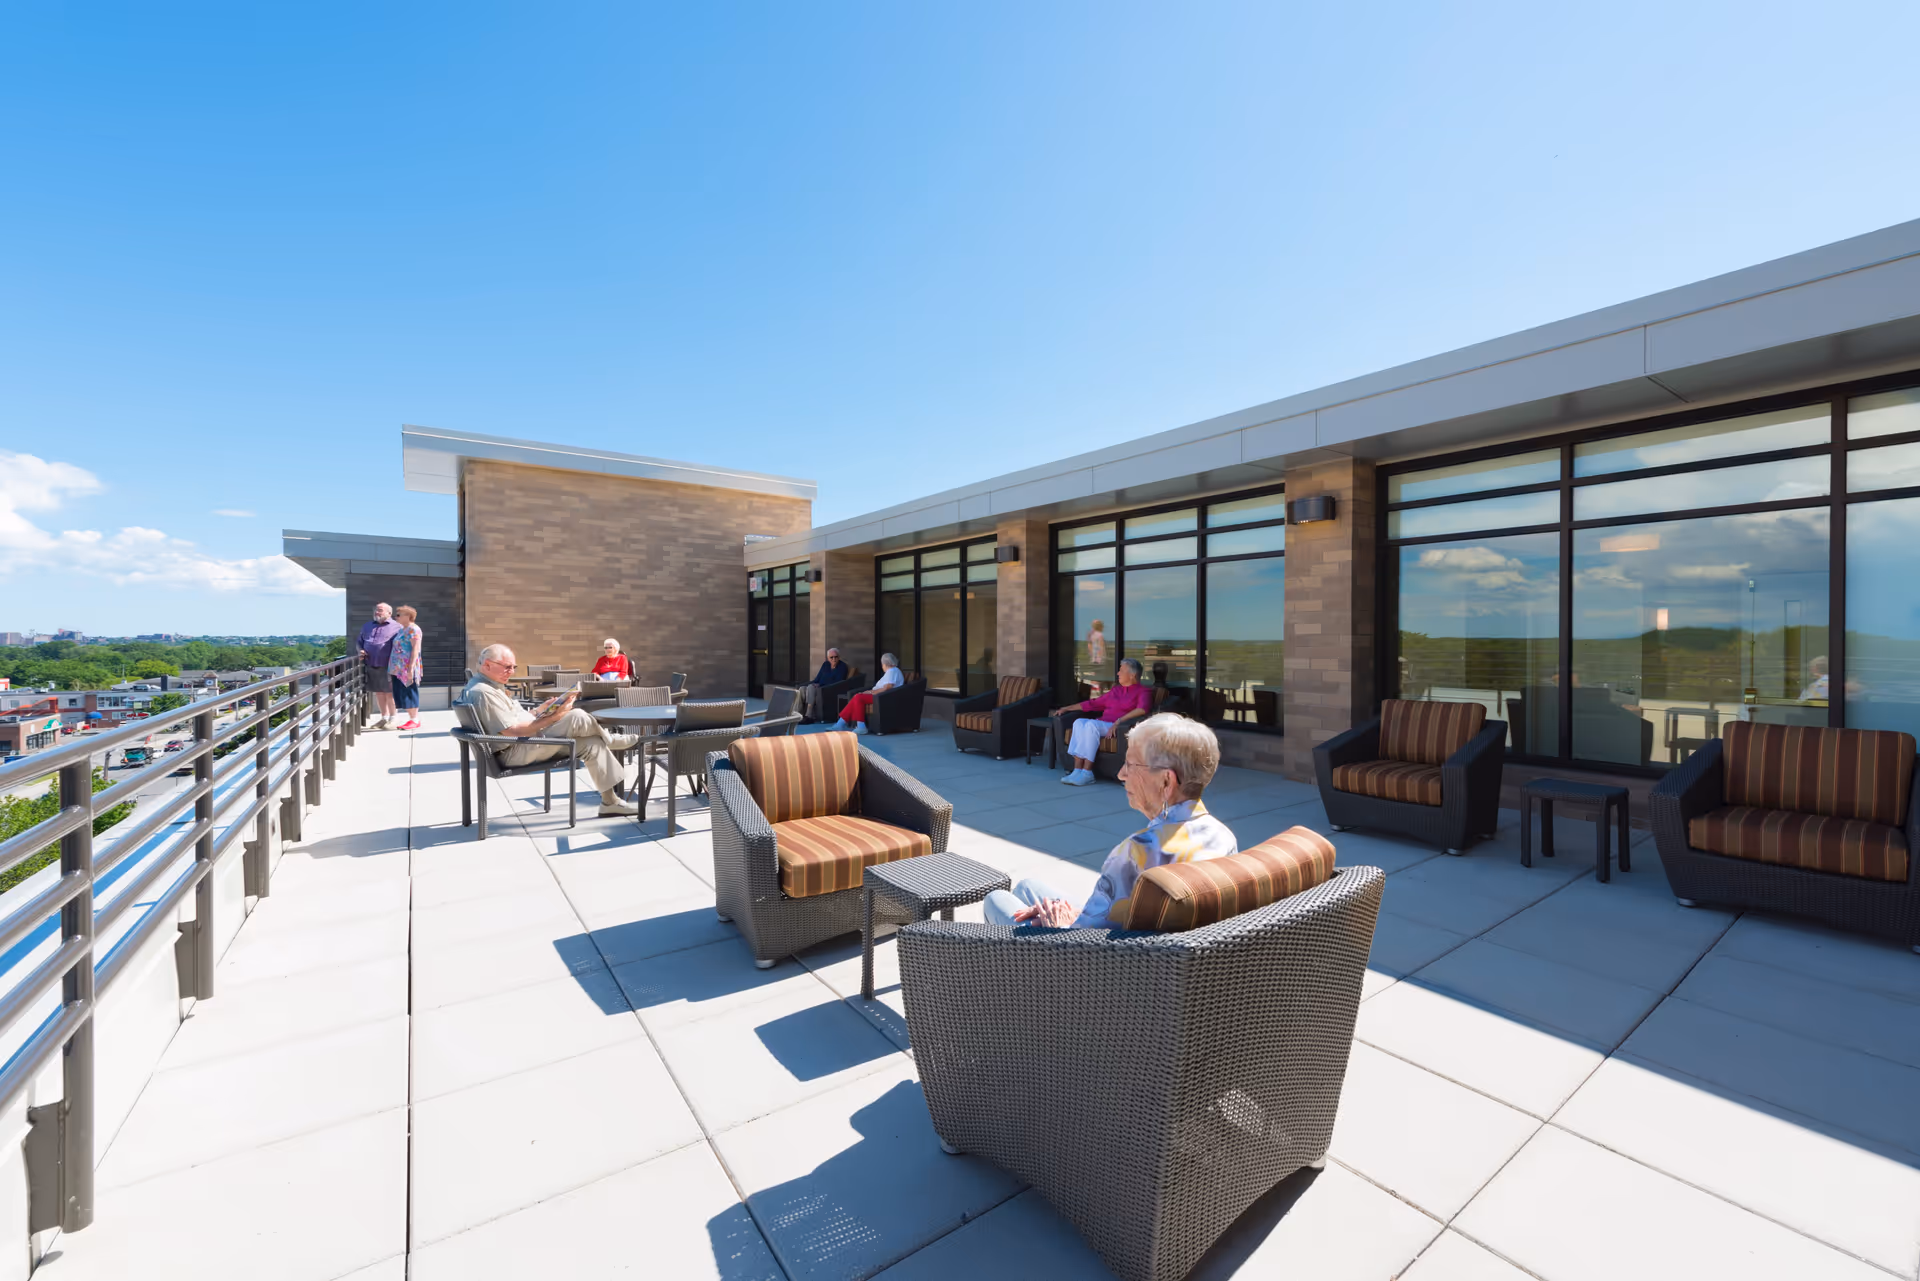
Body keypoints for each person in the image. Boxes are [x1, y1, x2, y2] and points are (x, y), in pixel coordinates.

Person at [984, 714, 1237, 928]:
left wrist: (1063, 924)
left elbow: (1084, 944)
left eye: (1130, 764)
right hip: (1157, 959)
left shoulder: (1138, 853)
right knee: (1028, 888)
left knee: (995, 899)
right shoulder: (1223, 838)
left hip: (1089, 969)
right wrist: (1078, 917)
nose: (1121, 774)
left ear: (1166, 781)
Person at [459, 644, 643, 817]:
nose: (512, 672)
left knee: (592, 743)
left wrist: (541, 710)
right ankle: (611, 740)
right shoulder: (483, 692)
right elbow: (513, 731)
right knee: (576, 715)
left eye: (514, 667)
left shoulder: (489, 687)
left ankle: (609, 802)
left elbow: (512, 720)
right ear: (488, 665)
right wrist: (555, 716)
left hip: (522, 744)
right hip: (514, 751)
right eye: (507, 667)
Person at [1052, 657, 1153, 785]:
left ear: (1132, 675)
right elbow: (1093, 703)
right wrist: (1066, 708)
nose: (1118, 673)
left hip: (1120, 726)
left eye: (1121, 671)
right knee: (1078, 722)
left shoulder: (1143, 690)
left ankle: (1087, 772)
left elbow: (1142, 710)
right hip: (1103, 723)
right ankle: (1077, 770)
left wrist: (1119, 721)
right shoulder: (1116, 690)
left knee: (1091, 725)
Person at [832, 653, 904, 735]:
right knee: (857, 697)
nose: (882, 666)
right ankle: (841, 723)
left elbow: (888, 687)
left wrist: (872, 692)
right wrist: (870, 692)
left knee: (858, 698)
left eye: (882, 664)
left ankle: (858, 726)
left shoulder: (892, 671)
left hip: (883, 697)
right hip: (881, 696)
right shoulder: (891, 671)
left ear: (885, 663)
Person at [357, 602, 403, 729]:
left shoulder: (397, 627)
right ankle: (384, 718)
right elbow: (359, 642)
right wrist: (360, 650)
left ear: (389, 613)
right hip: (371, 664)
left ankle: (394, 719)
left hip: (389, 665)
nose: (377, 612)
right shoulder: (367, 626)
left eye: (380, 610)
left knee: (390, 693)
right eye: (376, 610)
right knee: (379, 692)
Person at [387, 605, 424, 731]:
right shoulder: (402, 629)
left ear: (408, 616)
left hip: (406, 667)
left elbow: (415, 649)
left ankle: (414, 719)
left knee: (409, 692)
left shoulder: (414, 629)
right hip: (398, 668)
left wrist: (411, 669)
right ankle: (411, 718)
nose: (395, 617)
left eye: (398, 615)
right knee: (401, 693)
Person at [800, 647, 852, 723]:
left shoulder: (842, 667)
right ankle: (798, 714)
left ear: (839, 657)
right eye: (831, 657)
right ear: (828, 658)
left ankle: (809, 716)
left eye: (836, 657)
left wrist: (819, 685)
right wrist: (814, 684)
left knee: (811, 688)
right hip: (819, 687)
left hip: (827, 689)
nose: (834, 659)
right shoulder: (825, 665)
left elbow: (838, 681)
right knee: (802, 689)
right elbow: (817, 678)